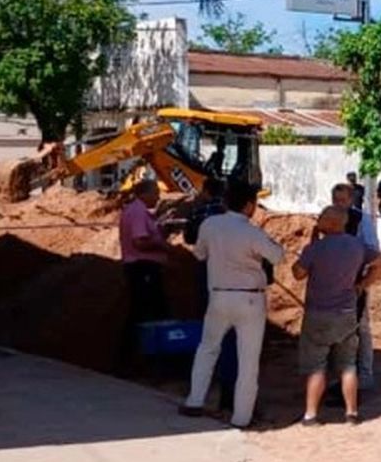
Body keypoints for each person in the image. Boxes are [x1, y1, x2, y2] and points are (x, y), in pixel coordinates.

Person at [180, 181, 284, 428]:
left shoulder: (209, 225)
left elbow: (199, 254)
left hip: (218, 295)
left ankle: (194, 401)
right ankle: (241, 417)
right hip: (249, 297)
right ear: (249, 205)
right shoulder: (252, 232)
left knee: (207, 349)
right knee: (248, 361)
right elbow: (277, 256)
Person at [293, 204, 381, 425]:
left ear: (331, 223)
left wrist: (312, 244)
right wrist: (363, 284)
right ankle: (351, 413)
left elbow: (298, 273)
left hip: (318, 314)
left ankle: (311, 415)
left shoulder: (316, 248)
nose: (318, 220)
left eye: (322, 217)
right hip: (347, 313)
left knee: (316, 366)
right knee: (348, 365)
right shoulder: (357, 246)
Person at [183, 177, 238, 413]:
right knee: (233, 339)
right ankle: (230, 393)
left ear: (205, 191)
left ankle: (197, 397)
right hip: (238, 284)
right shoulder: (236, 219)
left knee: (208, 339)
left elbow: (190, 241)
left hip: (209, 277)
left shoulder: (199, 214)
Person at [320, 181, 381, 391]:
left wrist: (362, 281)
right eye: (336, 200)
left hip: (355, 282)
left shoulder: (361, 220)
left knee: (360, 329)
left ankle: (364, 375)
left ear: (351, 200)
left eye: (343, 200)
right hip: (331, 284)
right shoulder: (328, 217)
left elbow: (373, 252)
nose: (339, 204)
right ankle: (340, 376)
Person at [119, 178, 171, 334]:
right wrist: (161, 245)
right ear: (144, 194)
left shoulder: (134, 211)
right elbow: (139, 242)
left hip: (141, 268)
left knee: (143, 310)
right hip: (143, 268)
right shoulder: (138, 212)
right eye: (155, 193)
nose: (158, 197)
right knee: (148, 310)